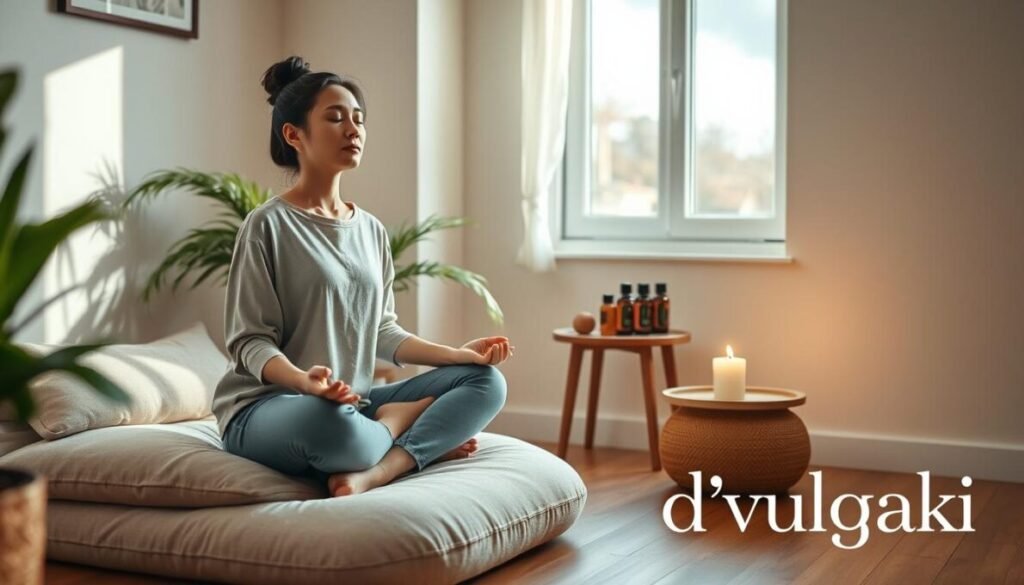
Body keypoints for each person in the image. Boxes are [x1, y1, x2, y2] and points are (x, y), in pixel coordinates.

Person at [212, 56, 514, 497]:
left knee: (486, 383)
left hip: (352, 401)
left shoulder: (370, 230)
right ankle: (399, 425)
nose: (353, 130)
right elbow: (250, 342)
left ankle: (381, 469)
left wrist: (455, 355)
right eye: (335, 118)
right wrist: (303, 381)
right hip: (267, 407)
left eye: (358, 119)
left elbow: (381, 331)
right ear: (294, 135)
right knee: (329, 423)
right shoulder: (267, 225)